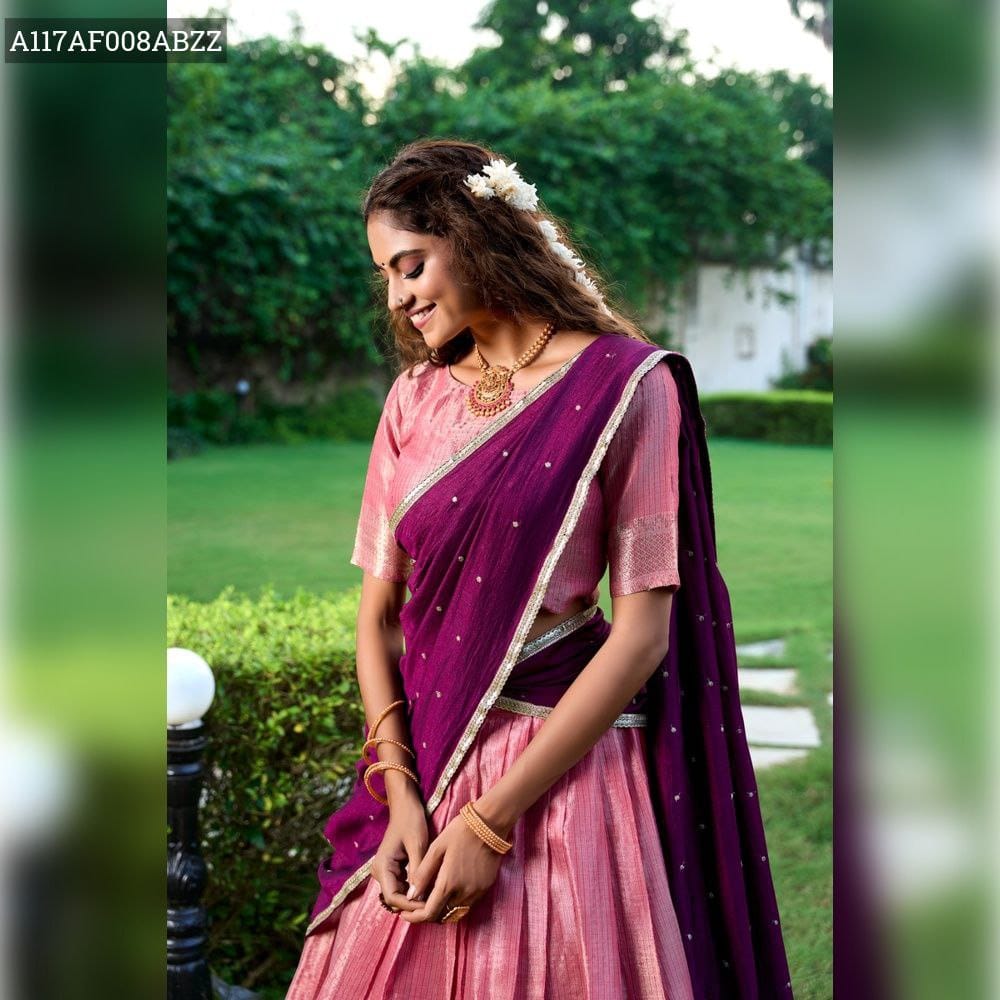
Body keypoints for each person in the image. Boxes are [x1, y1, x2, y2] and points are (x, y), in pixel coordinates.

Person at [285, 139, 794, 999]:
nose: (398, 296)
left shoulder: (628, 387)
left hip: (564, 773)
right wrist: (401, 795)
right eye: (386, 277)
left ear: (475, 236)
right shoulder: (413, 400)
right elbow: (378, 619)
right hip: (428, 766)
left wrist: (489, 826)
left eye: (411, 265)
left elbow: (641, 636)